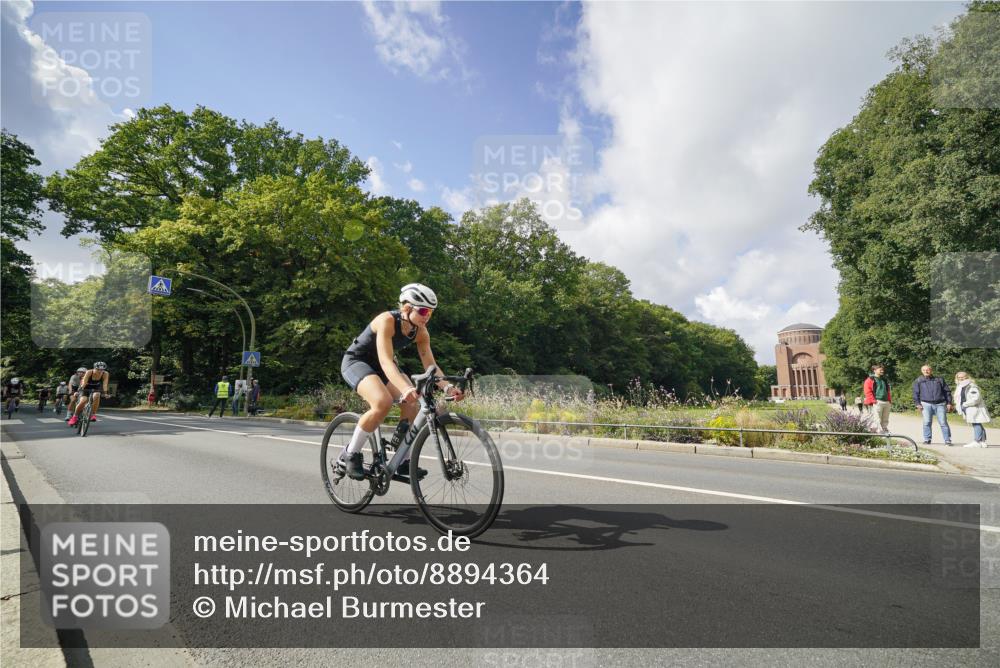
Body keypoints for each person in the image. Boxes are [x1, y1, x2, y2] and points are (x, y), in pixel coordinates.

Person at [339, 283, 464, 480]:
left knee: (413, 402)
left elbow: (431, 365)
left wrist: (447, 387)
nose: (427, 316)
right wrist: (405, 387)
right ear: (406, 307)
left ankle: (402, 459)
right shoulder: (386, 320)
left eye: (431, 312)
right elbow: (386, 361)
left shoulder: (421, 332)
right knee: (382, 402)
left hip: (382, 366)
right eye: (423, 311)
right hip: (357, 362)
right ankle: (350, 453)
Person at [912, 364, 953, 446]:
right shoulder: (918, 380)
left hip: (940, 404)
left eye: (928, 370)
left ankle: (947, 440)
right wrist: (917, 403)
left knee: (943, 422)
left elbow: (947, 392)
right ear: (922, 371)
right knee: (927, 422)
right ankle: (927, 439)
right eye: (924, 370)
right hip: (926, 404)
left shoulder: (939, 379)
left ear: (931, 370)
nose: (926, 371)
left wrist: (949, 403)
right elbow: (915, 393)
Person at [954, 372, 990, 448]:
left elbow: (976, 399)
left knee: (976, 423)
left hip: (973, 408)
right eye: (959, 377)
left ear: (967, 377)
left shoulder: (971, 386)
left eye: (962, 377)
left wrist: (965, 404)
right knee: (977, 423)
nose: (961, 378)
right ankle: (982, 441)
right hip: (967, 408)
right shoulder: (960, 386)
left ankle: (977, 441)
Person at [68, 362, 109, 427]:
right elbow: (84, 382)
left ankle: (93, 414)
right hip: (86, 387)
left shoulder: (105, 374)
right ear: (94, 368)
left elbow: (105, 384)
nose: (100, 371)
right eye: (98, 369)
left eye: (102, 370)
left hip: (96, 387)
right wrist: (79, 391)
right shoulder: (89, 372)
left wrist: (106, 393)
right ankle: (74, 417)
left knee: (97, 395)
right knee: (83, 401)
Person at [863, 364, 892, 434]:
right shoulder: (870, 380)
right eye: (880, 370)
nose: (882, 371)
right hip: (877, 401)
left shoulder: (884, 380)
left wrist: (889, 400)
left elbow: (887, 390)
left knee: (885, 418)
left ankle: (885, 430)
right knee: (877, 418)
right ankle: (879, 432)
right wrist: (873, 400)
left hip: (886, 402)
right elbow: (867, 391)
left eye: (883, 369)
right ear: (875, 370)